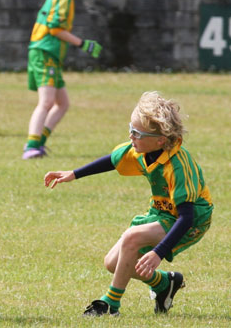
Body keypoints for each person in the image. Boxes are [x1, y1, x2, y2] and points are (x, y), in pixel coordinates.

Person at [44, 91, 213, 316]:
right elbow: (114, 160)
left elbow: (187, 217)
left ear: (160, 140)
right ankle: (164, 284)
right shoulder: (142, 150)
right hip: (162, 213)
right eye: (130, 129)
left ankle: (110, 305)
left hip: (191, 220)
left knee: (131, 238)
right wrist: (73, 174)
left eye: (136, 133)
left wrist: (159, 253)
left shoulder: (179, 166)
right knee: (113, 264)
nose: (131, 136)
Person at [22, 0, 102, 159]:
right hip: (45, 52)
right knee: (47, 102)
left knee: (62, 103)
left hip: (48, 53)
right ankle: (31, 146)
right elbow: (55, 29)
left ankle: (39, 143)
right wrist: (83, 43)